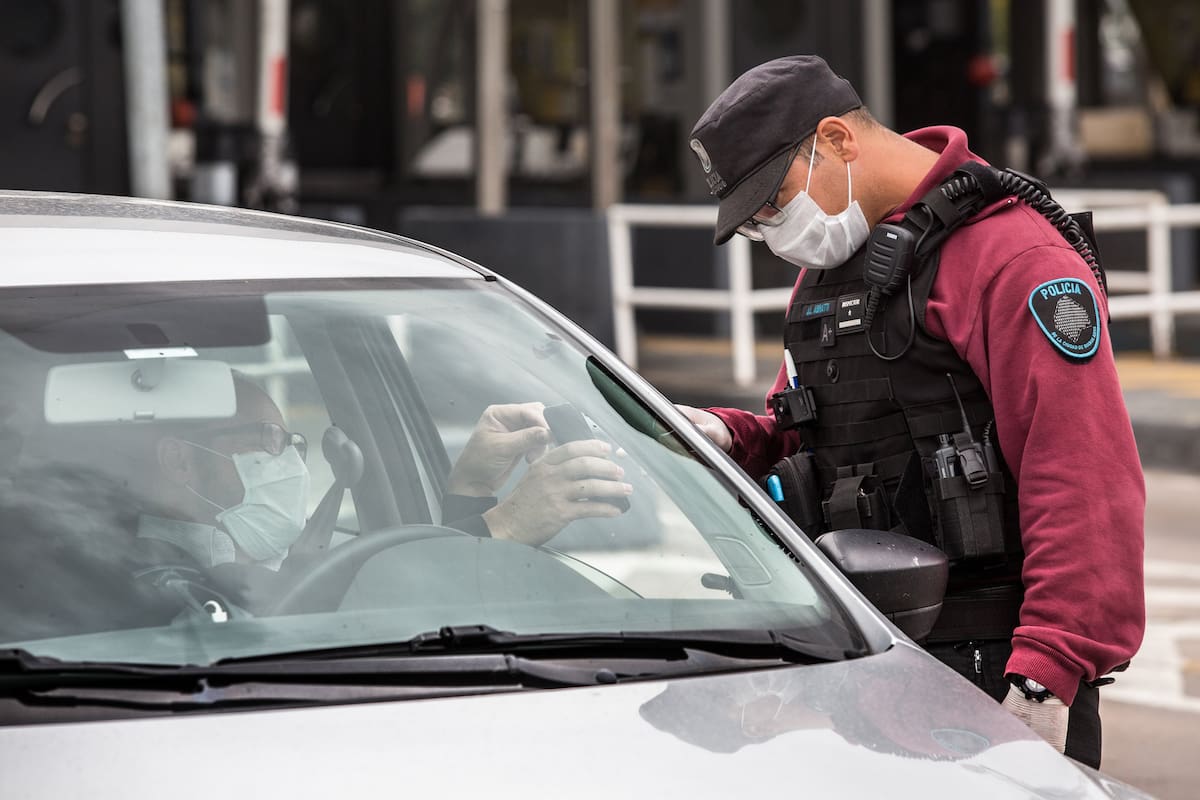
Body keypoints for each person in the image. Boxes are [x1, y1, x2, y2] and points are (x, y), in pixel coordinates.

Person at [677, 55, 1144, 768]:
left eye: (774, 200)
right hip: (867, 664)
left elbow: (1083, 475)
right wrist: (725, 436)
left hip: (993, 672)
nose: (774, 228)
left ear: (837, 139)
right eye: (757, 220)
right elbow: (805, 428)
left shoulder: (1012, 255)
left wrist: (1046, 676)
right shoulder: (835, 270)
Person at [136, 374, 630, 606]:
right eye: (267, 439)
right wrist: (500, 527)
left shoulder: (258, 558)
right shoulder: (151, 576)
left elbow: (409, 598)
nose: (287, 459)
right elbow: (296, 621)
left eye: (291, 442)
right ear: (179, 460)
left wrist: (471, 491)